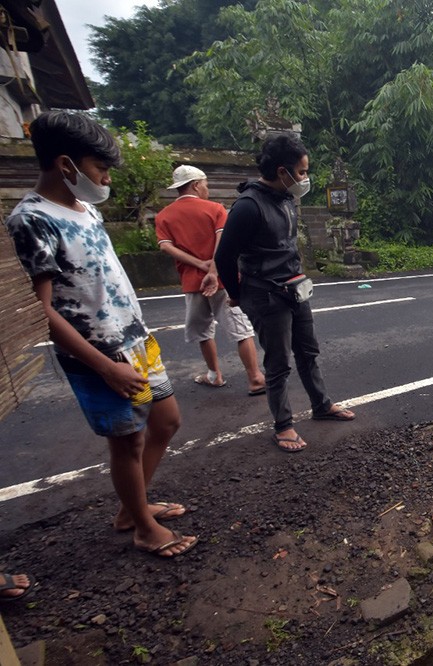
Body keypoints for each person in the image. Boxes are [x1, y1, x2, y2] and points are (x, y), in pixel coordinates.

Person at [5, 111, 197, 557]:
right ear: (66, 165)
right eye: (101, 169)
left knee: (166, 421)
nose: (106, 179)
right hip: (98, 356)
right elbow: (41, 309)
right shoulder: (31, 220)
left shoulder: (86, 208)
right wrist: (106, 367)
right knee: (128, 440)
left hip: (136, 341)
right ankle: (143, 526)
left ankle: (134, 508)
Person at [215, 132, 355, 453]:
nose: (305, 178)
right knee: (278, 363)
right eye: (302, 172)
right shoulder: (248, 207)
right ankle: (283, 426)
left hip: (295, 289)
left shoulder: (286, 199)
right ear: (282, 172)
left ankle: (321, 405)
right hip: (265, 295)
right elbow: (224, 256)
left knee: (308, 352)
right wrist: (235, 294)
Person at [155, 165, 266, 395]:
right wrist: (214, 271)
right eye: (205, 185)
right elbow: (223, 243)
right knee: (240, 330)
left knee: (203, 331)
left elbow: (166, 246)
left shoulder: (164, 215)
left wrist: (199, 265)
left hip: (192, 282)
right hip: (224, 280)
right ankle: (255, 378)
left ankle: (214, 375)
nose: (207, 189)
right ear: (196, 185)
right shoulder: (215, 209)